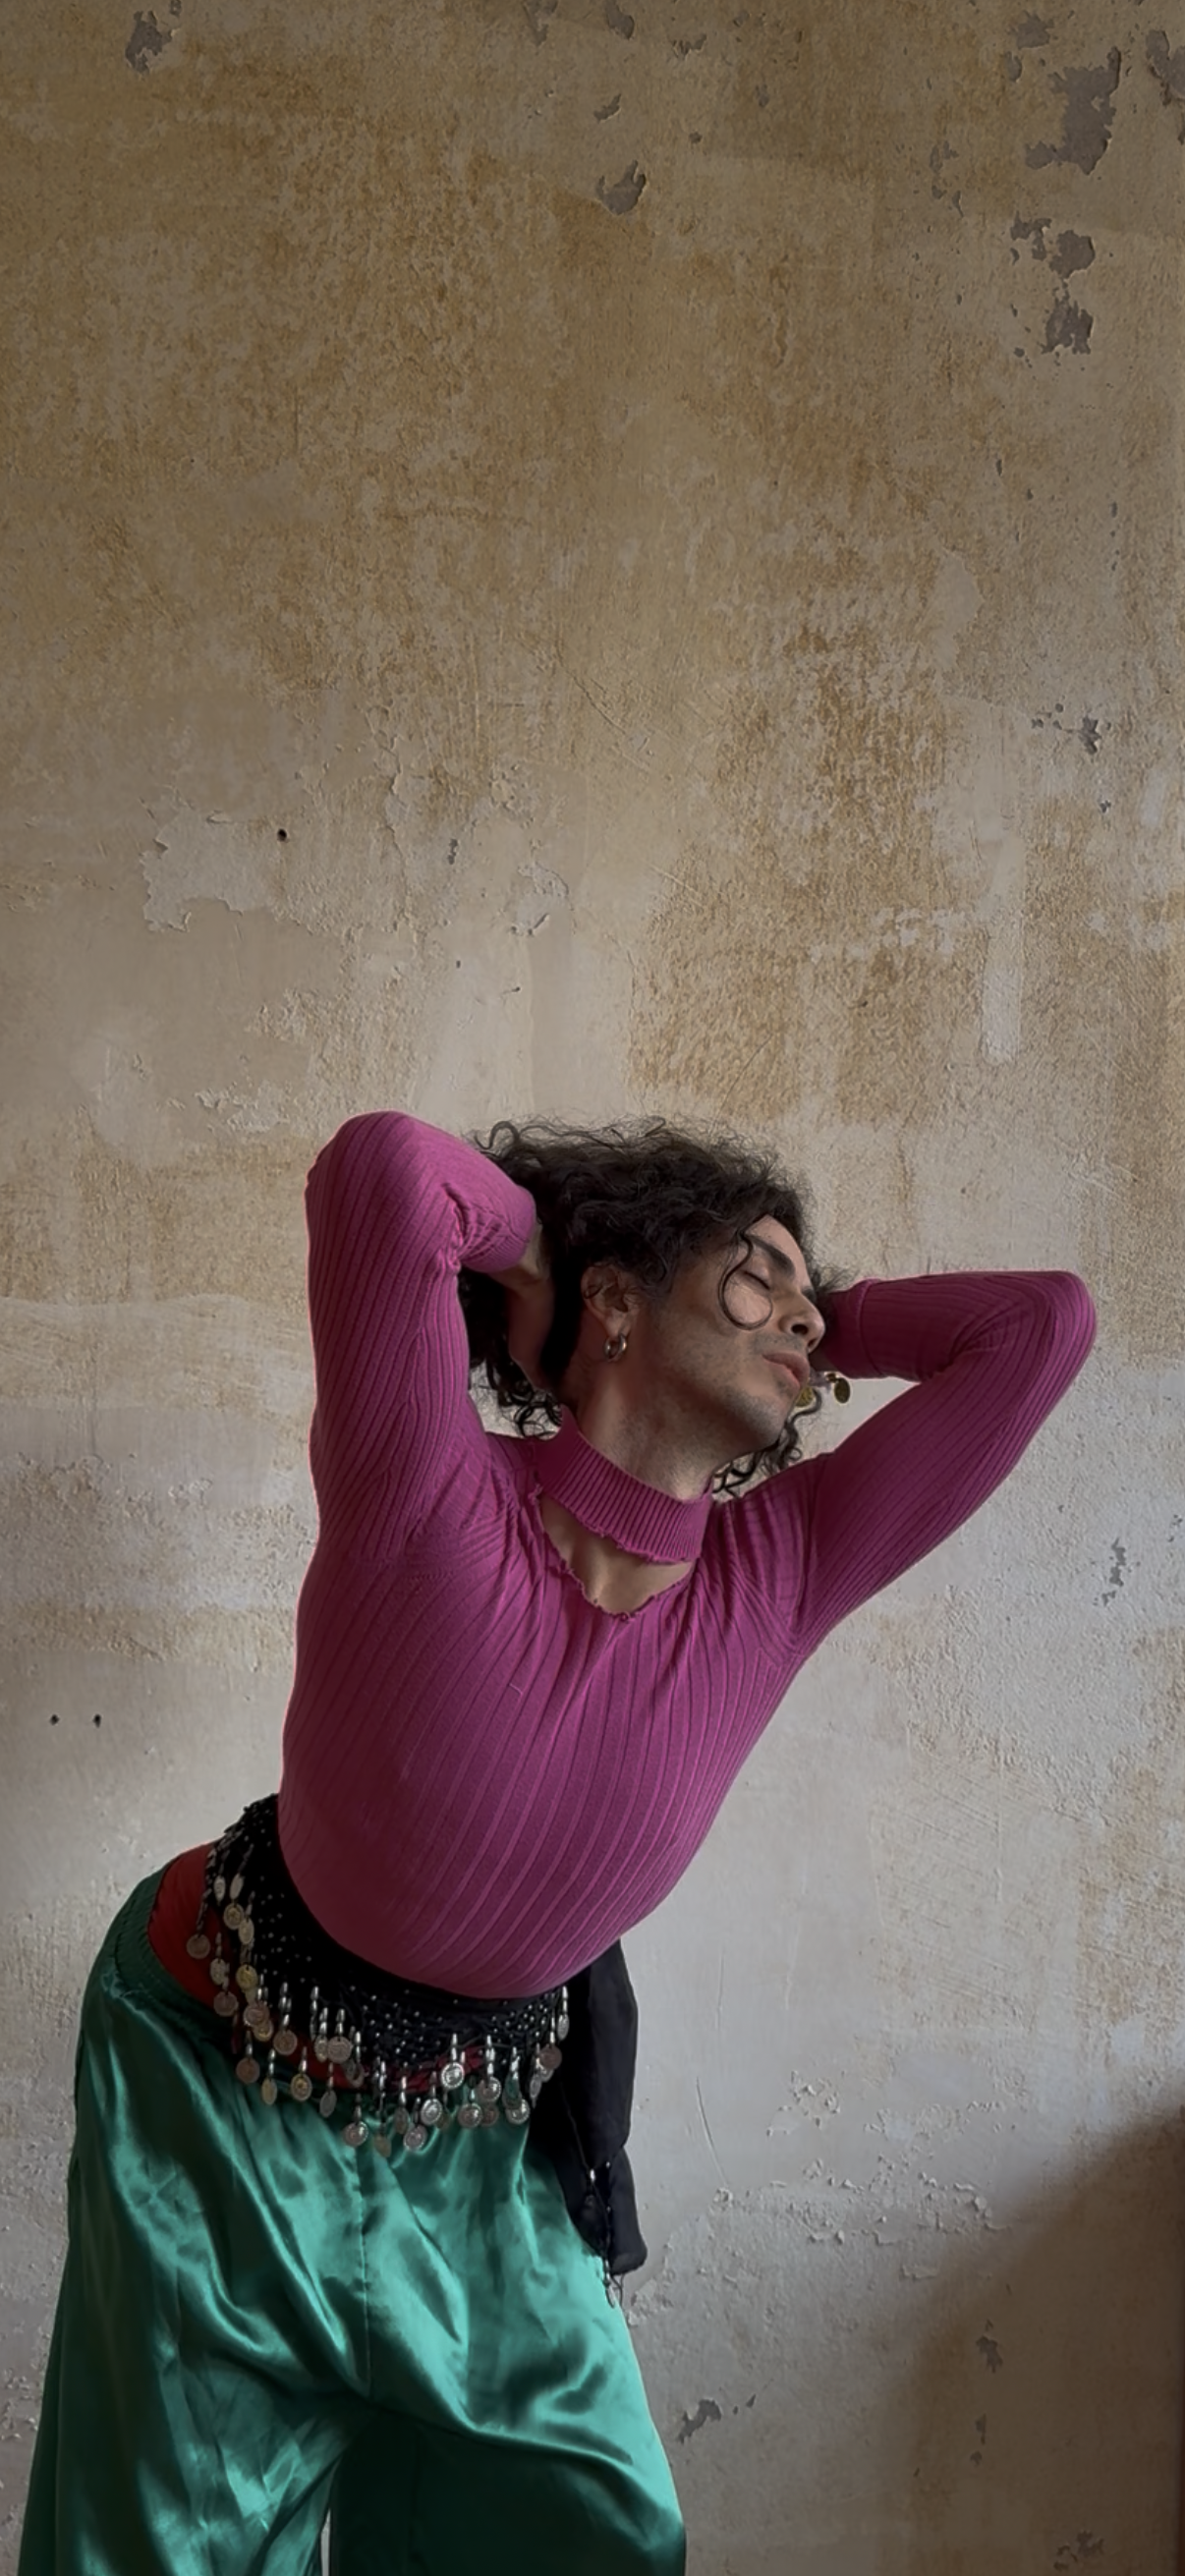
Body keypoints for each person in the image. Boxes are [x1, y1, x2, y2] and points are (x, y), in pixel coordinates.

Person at [18, 1107, 1096, 2576]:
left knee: (596, 2535)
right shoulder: (427, 1481)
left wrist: (807, 1315)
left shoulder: (782, 1570)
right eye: (756, 1270)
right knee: (170, 2550)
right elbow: (386, 1175)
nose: (800, 1313)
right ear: (614, 1299)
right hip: (214, 2070)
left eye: (809, 1295)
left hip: (478, 2140)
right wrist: (545, 1253)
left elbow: (1041, 1328)